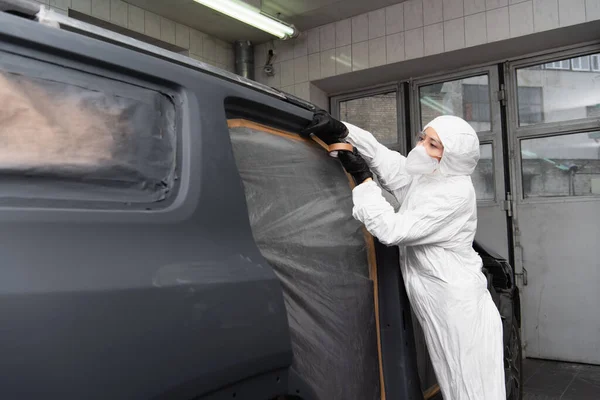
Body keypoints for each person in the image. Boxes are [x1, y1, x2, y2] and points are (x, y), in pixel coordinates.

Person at [302, 112, 506, 400]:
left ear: (453, 157)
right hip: (439, 302)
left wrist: (362, 179)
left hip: (459, 307)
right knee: (454, 382)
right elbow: (384, 158)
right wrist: (344, 129)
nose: (422, 147)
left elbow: (390, 230)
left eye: (433, 145)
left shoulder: (455, 193)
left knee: (473, 388)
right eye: (423, 137)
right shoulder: (429, 176)